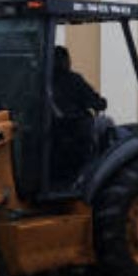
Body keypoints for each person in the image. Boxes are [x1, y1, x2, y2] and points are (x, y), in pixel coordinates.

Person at [51, 46, 107, 181]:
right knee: (107, 123)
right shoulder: (74, 80)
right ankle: (93, 174)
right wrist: (101, 102)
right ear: (65, 61)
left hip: (53, 136)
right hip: (75, 133)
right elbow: (96, 102)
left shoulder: (42, 82)